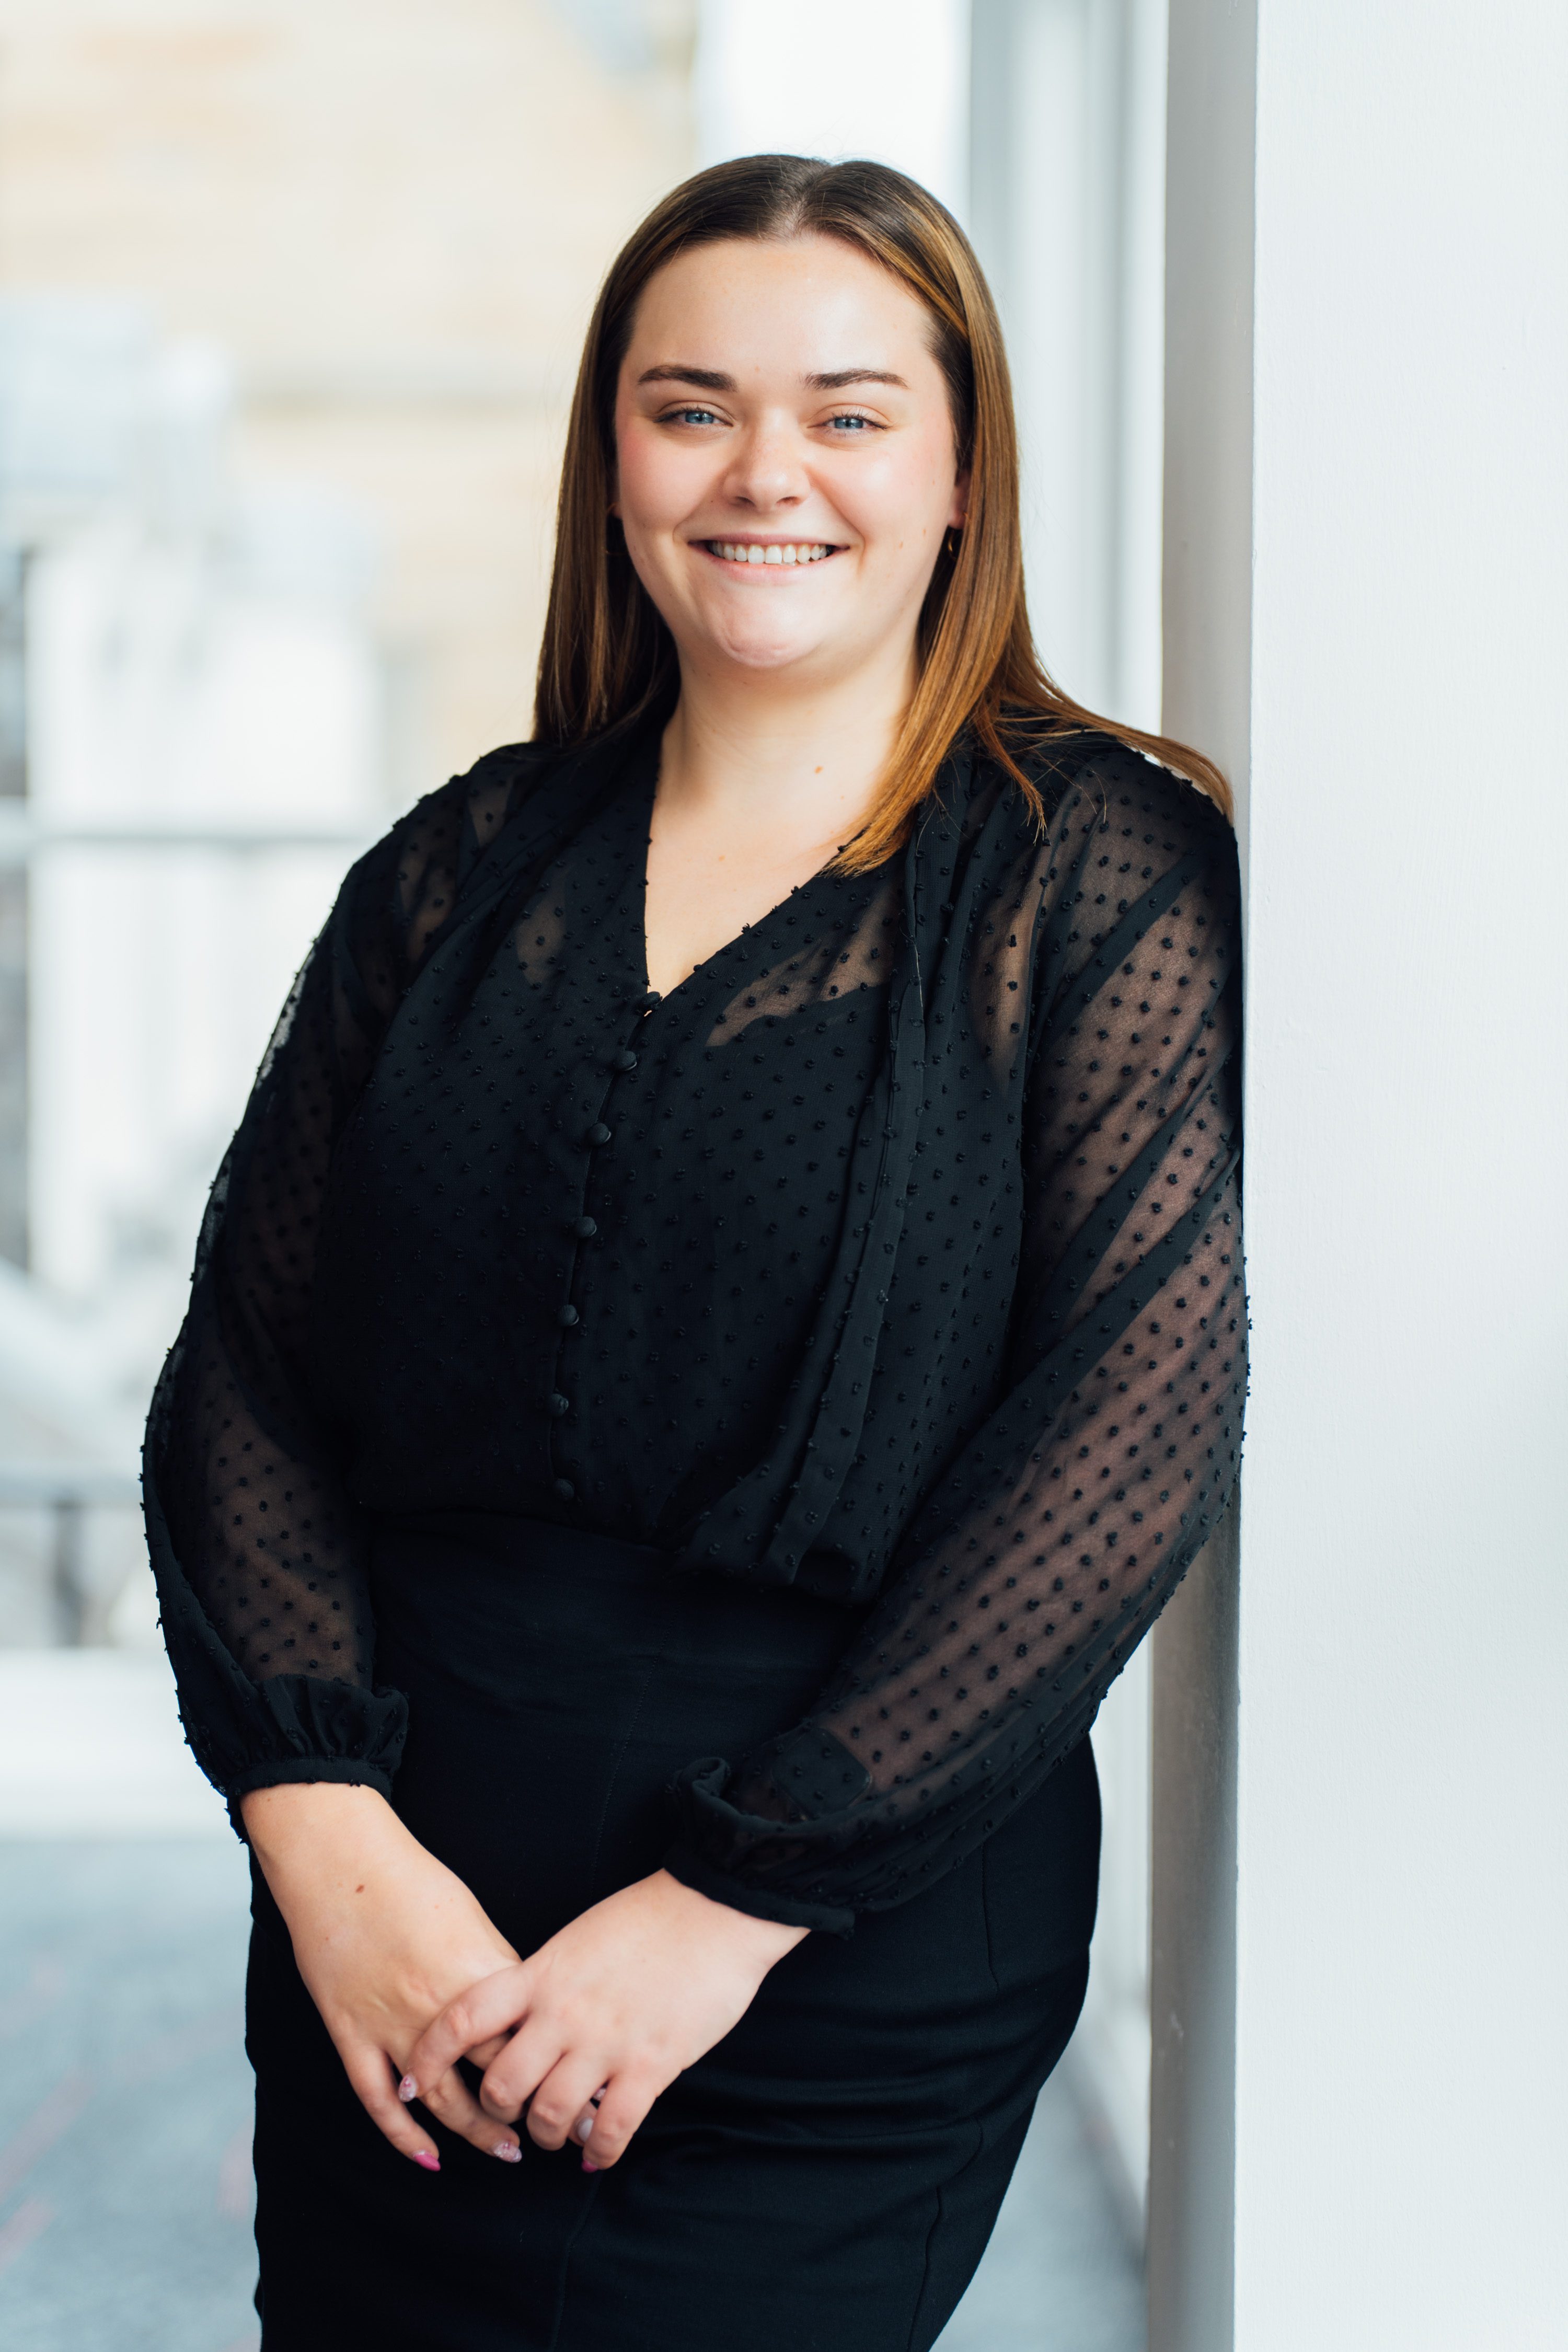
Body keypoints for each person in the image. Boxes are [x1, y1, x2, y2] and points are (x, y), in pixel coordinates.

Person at [145, 154, 1244, 2351]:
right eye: (692, 408)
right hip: (399, 1926)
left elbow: (1134, 1427)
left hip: (834, 1953)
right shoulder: (454, 865)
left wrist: (737, 1897)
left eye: (848, 413)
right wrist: (323, 1837)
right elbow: (241, 1375)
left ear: (959, 472)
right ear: (615, 457)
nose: (765, 474)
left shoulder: (1091, 868)